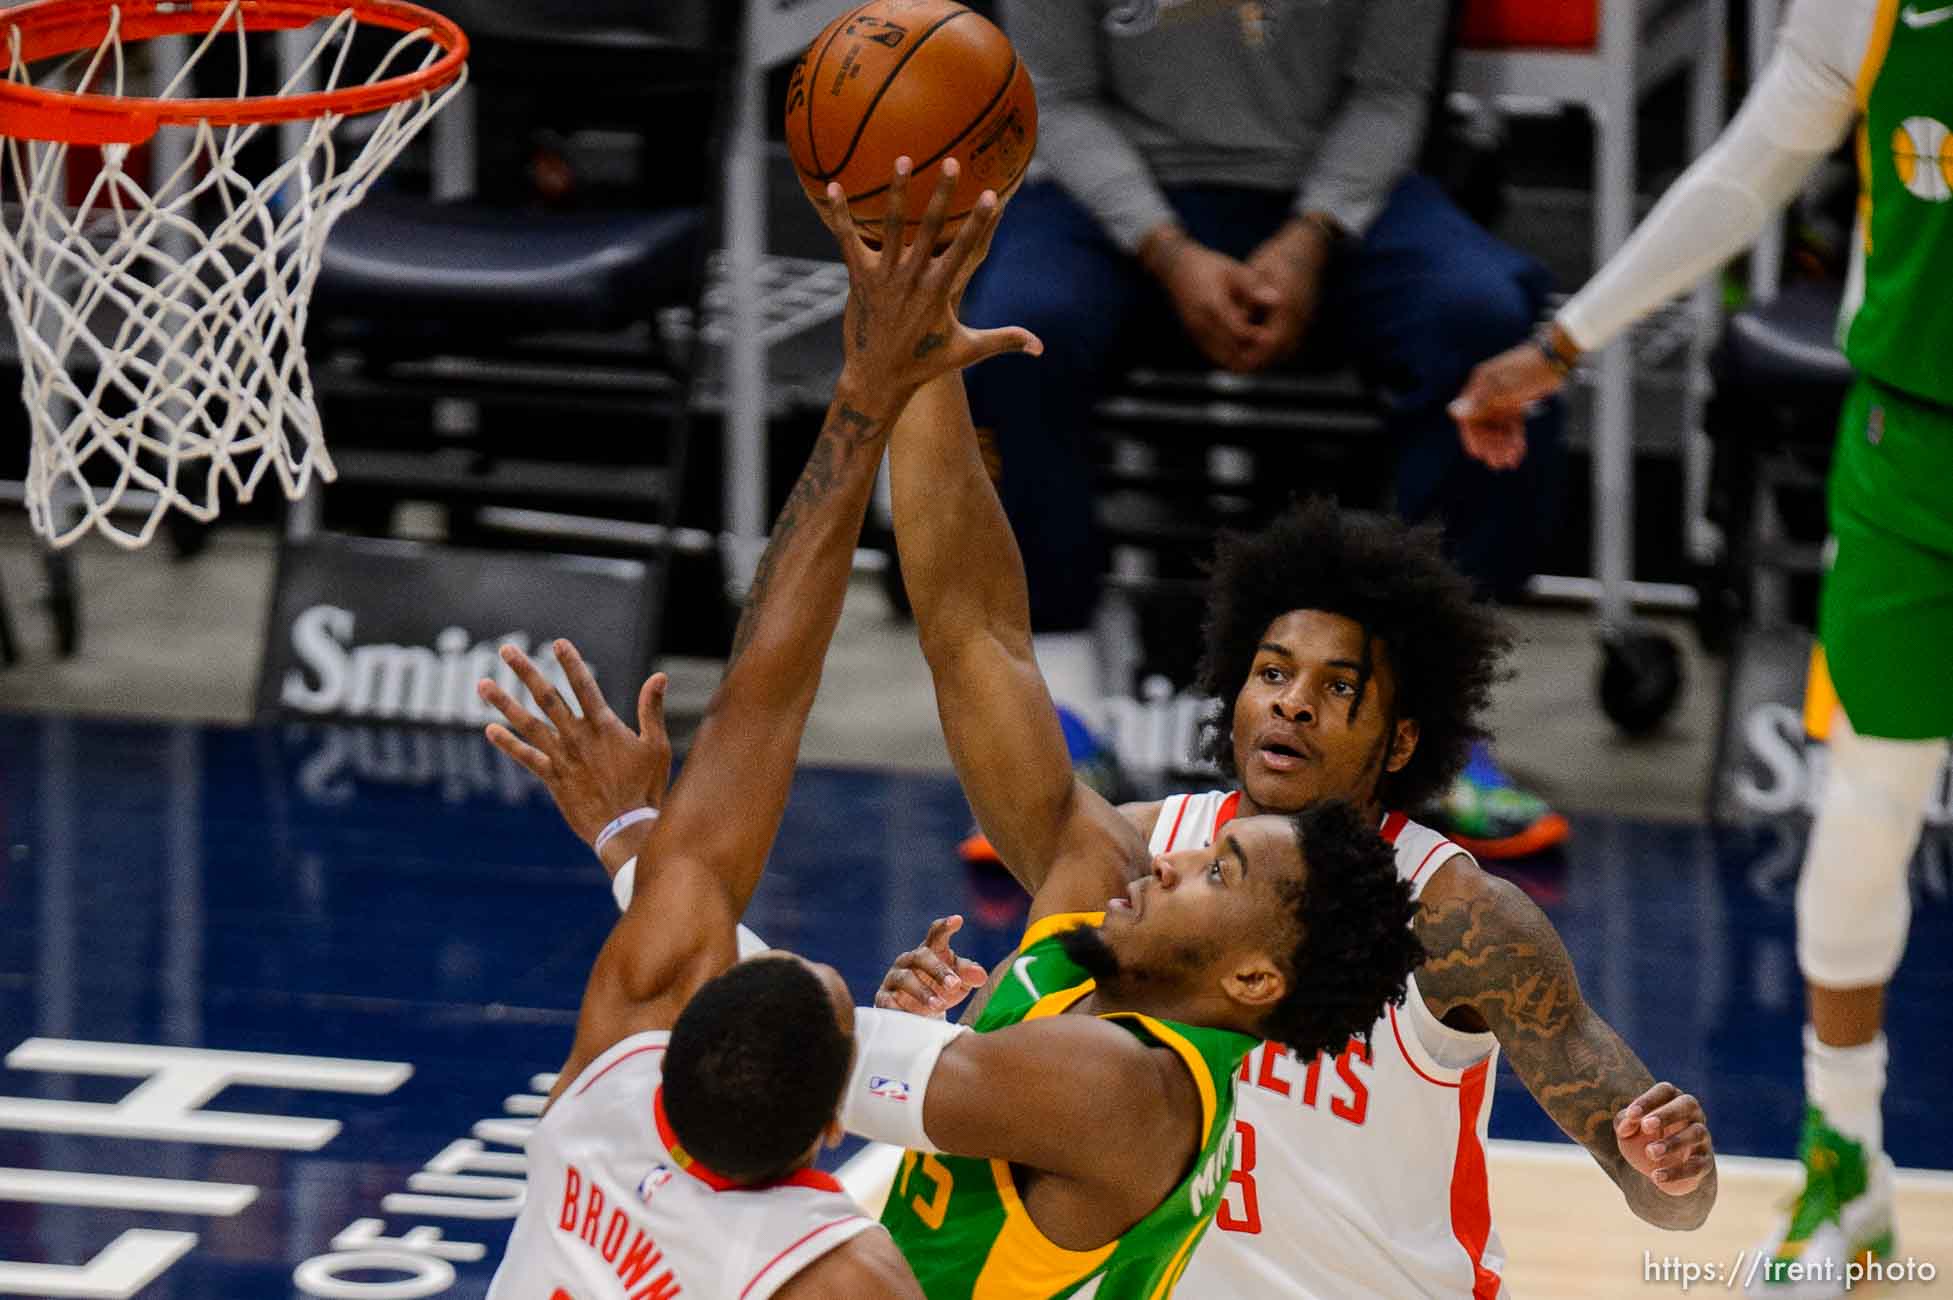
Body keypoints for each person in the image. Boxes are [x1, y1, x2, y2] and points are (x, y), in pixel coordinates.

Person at [882, 366, 1721, 1297]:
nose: (1293, 705)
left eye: (1336, 688)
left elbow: (1661, 1190)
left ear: (1402, 739)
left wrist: (1672, 1169)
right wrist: (930, 1031)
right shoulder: (1142, 863)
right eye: (1273, 673)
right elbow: (974, 642)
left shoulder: (1459, 919)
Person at [1449, 2, 1951, 1291]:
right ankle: (1846, 1173)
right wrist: (1567, 341)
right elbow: (1746, 164)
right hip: (1913, 450)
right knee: (1863, 814)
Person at [478, 158, 1037, 1300]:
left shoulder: (612, 1075)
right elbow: (760, 702)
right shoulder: (842, 1276)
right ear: (836, 1126)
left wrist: (866, 395)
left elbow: (758, 700)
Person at [849, 360, 1426, 1296]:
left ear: (1250, 975)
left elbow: (791, 1056)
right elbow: (975, 632)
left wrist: (635, 845)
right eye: (1272, 672)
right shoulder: (1099, 921)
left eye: (1218, 872)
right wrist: (924, 363)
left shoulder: (1125, 1087)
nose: (1172, 862)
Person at [951, 0, 1568, 858]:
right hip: (1116, 198)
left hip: (1337, 197)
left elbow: (1391, 96)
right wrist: (1164, 247)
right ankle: (1063, 712)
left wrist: (1310, 237)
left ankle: (1439, 724)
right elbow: (1055, 98)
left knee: (1482, 329)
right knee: (1011, 338)